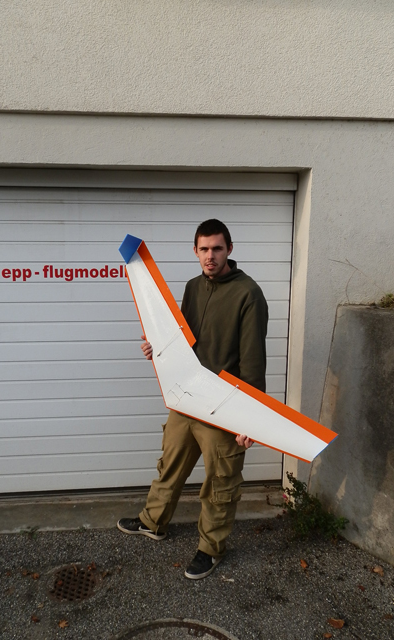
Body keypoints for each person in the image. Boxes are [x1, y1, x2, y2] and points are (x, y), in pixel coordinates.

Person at [117, 219, 268, 579]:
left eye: (217, 248)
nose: (210, 256)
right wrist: (157, 348)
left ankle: (211, 549)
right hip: (186, 399)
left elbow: (253, 361)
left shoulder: (248, 294)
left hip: (222, 406)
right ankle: (153, 521)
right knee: (169, 464)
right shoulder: (192, 287)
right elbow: (182, 339)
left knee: (220, 483)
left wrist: (251, 419)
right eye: (204, 249)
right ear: (195, 251)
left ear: (229, 249)